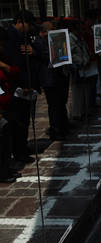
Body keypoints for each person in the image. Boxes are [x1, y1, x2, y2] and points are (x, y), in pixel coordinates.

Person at [6, 10, 37, 164]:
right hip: (17, 85)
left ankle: (22, 147)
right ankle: (19, 152)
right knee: (19, 121)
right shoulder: (10, 36)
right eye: (28, 24)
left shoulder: (23, 37)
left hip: (25, 82)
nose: (29, 28)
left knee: (25, 119)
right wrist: (22, 85)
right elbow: (15, 62)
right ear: (20, 22)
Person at [32, 21, 70, 141]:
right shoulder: (38, 42)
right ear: (45, 31)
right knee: (54, 105)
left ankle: (63, 126)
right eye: (52, 29)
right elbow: (47, 55)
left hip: (58, 76)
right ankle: (55, 130)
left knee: (61, 103)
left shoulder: (50, 39)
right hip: (49, 78)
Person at [0, 26, 21, 182]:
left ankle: (6, 168)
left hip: (6, 102)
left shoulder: (3, 57)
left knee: (6, 140)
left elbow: (14, 70)